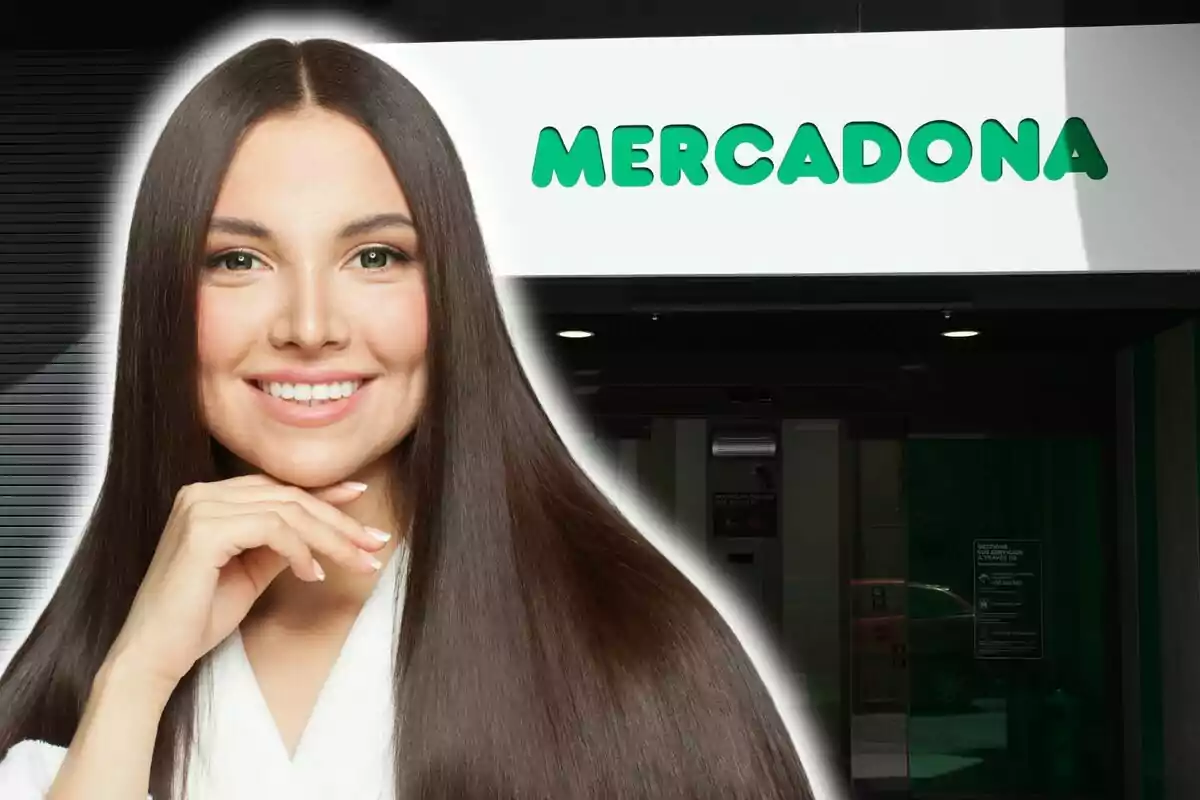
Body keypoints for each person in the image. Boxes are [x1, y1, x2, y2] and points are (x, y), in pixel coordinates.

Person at [0, 37, 815, 799]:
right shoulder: (69, 698)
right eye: (238, 260)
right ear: (162, 301)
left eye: (375, 257)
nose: (310, 325)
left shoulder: (647, 653)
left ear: (448, 288)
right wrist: (136, 674)